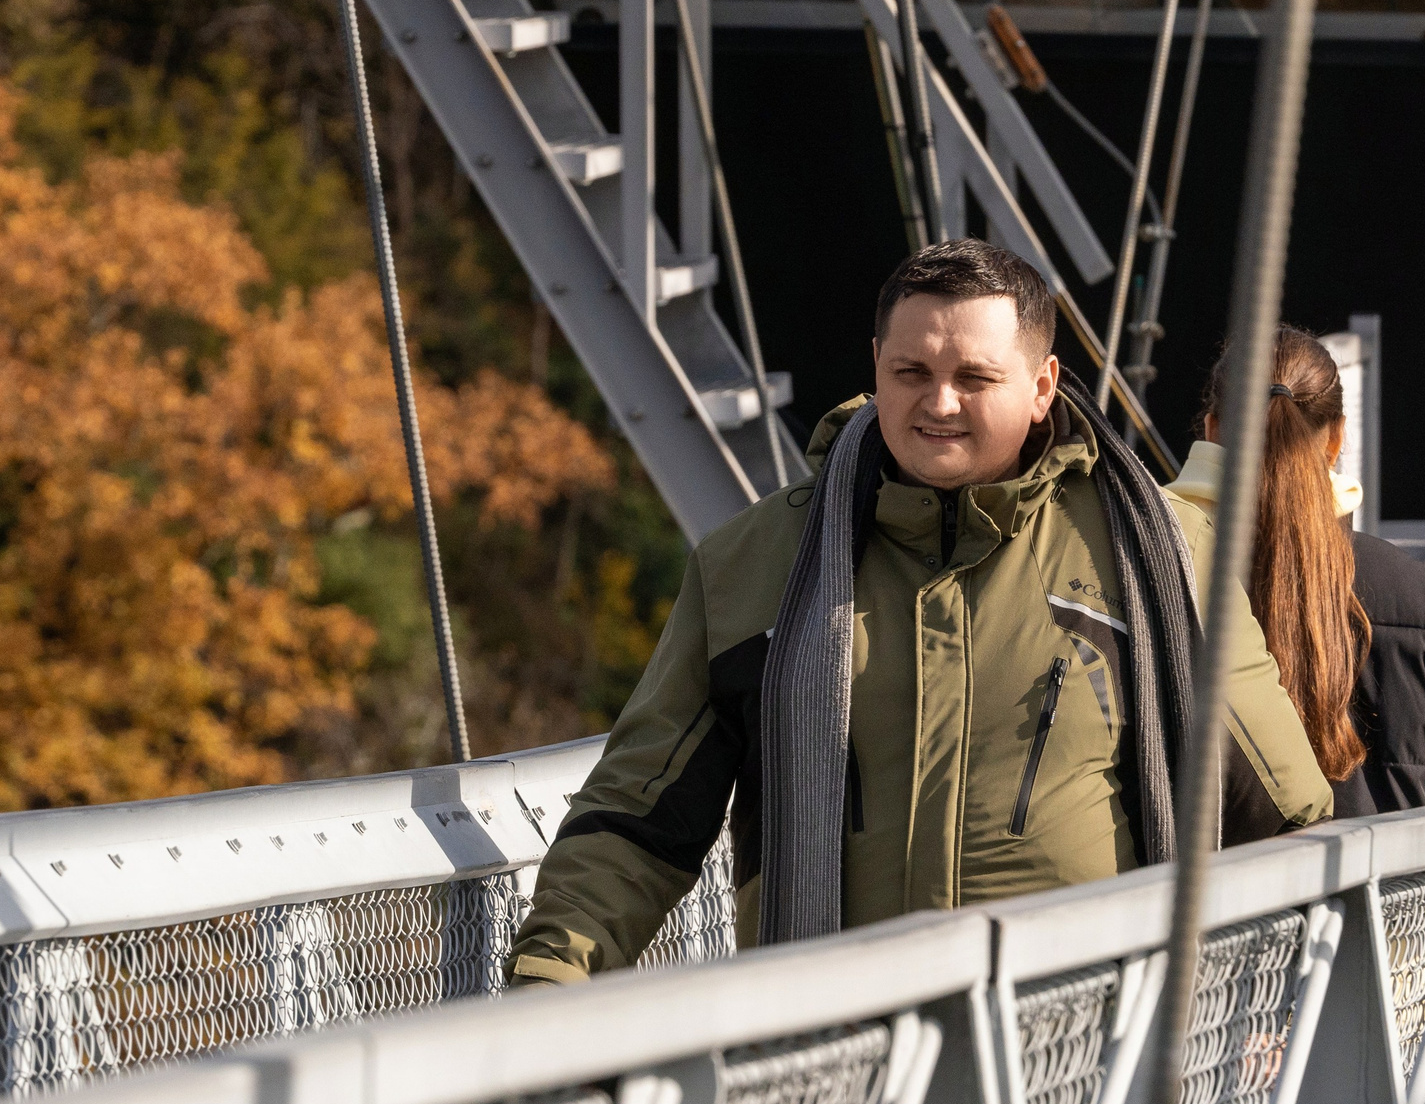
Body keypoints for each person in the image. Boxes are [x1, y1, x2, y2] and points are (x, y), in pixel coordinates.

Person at [506, 240, 1333, 980]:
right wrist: (549, 981)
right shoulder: (753, 566)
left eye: (975, 378)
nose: (938, 403)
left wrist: (1273, 1006)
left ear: (1043, 387)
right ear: (874, 369)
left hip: (1083, 1069)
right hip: (829, 1073)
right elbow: (637, 820)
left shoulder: (1162, 551)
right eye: (911, 375)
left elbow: (1282, 819)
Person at [1169, 328, 1425, 817]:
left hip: (1205, 890)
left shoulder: (1147, 566)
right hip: (1390, 889)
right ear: (1336, 439)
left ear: (1211, 431)